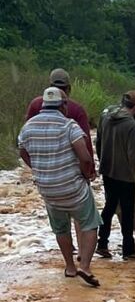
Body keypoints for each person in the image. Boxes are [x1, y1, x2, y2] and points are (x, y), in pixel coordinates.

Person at [17, 87, 101, 287]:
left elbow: (22, 152)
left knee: (60, 228)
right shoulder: (69, 126)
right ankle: (85, 267)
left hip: (48, 190)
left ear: (43, 105)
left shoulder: (28, 127)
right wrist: (86, 172)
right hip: (73, 189)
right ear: (63, 105)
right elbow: (85, 157)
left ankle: (70, 268)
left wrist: (37, 169)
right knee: (89, 223)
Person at [25, 68, 95, 254]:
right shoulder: (76, 109)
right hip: (73, 170)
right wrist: (90, 169)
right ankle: (82, 253)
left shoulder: (35, 105)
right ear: (69, 88)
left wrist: (36, 167)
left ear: (49, 85)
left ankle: (69, 260)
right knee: (83, 215)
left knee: (59, 220)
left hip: (47, 174)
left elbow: (25, 140)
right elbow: (85, 142)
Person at [95, 91, 135, 261]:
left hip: (107, 170)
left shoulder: (106, 116)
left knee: (109, 207)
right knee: (127, 211)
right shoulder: (132, 125)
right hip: (125, 174)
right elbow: (134, 156)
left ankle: (102, 244)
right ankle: (128, 250)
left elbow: (98, 141)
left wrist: (102, 161)